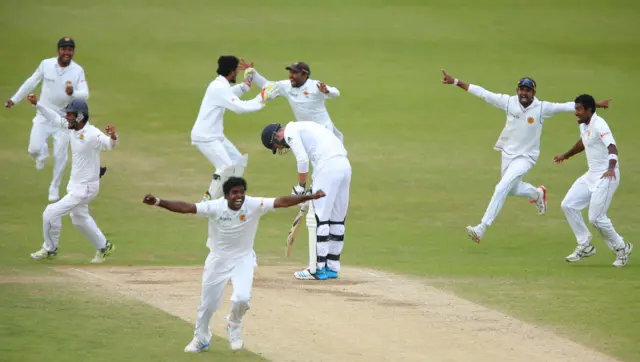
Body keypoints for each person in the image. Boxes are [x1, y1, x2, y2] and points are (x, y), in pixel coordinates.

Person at [141, 177, 326, 352]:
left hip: (243, 259)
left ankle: (234, 323)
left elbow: (281, 201)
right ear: (226, 195)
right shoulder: (215, 207)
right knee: (208, 305)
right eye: (235, 193)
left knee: (242, 299)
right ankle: (201, 338)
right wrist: (158, 202)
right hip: (218, 260)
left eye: (241, 192)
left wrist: (310, 196)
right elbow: (187, 208)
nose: (239, 196)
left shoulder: (253, 204)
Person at [440, 69, 612, 243]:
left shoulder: (542, 108)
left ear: (533, 93)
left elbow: (568, 106)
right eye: (521, 89)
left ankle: (482, 227)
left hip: (526, 158)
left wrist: (595, 104)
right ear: (517, 91)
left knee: (501, 188)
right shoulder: (508, 102)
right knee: (512, 189)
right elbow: (484, 93)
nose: (524, 93)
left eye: (528, 90)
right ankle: (537, 194)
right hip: (507, 154)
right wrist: (456, 81)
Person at [26, 93, 117, 263]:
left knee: (50, 213)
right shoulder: (71, 129)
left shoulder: (92, 134)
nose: (66, 116)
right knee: (79, 218)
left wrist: (113, 136)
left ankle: (50, 249)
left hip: (86, 188)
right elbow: (54, 118)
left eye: (70, 114)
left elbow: (109, 145)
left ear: (80, 116)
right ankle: (104, 247)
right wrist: (37, 104)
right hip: (76, 185)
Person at [261, 121, 351, 280]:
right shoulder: (305, 127)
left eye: (277, 145)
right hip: (344, 165)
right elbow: (318, 158)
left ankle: (316, 269)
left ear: (276, 135)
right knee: (337, 218)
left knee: (319, 218)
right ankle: (332, 267)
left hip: (328, 166)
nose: (281, 148)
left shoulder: (290, 132)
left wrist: (300, 188)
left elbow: (302, 160)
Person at [5, 37, 90, 202]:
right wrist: (14, 99)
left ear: (73, 51)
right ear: (58, 50)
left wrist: (73, 92)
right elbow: (31, 82)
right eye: (64, 49)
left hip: (65, 118)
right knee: (33, 148)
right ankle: (40, 155)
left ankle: (54, 187)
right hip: (44, 114)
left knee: (60, 155)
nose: (67, 53)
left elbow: (85, 94)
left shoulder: (77, 70)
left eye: (70, 50)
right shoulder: (46, 64)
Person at [554, 94, 632, 267]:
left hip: (607, 175)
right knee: (568, 205)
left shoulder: (599, 124)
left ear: (589, 110)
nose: (576, 113)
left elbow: (612, 147)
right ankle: (585, 244)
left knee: (596, 218)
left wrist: (611, 168)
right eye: (576, 109)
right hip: (592, 174)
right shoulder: (585, 124)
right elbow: (584, 142)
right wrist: (566, 155)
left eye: (579, 109)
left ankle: (622, 247)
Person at [190, 55, 276, 202]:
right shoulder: (218, 87)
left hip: (215, 135)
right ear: (231, 71)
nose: (237, 72)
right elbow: (240, 108)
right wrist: (262, 97)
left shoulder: (220, 85)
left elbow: (232, 93)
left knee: (237, 161)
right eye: (237, 69)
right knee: (225, 167)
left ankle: (226, 198)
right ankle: (207, 203)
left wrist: (247, 82)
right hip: (205, 137)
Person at [242, 60, 345, 143]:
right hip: (307, 132)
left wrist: (327, 91)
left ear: (304, 75)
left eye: (295, 73)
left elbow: (336, 93)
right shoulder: (286, 86)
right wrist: (252, 73)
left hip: (324, 130)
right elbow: (267, 85)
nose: (291, 76)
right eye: (290, 72)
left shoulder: (315, 85)